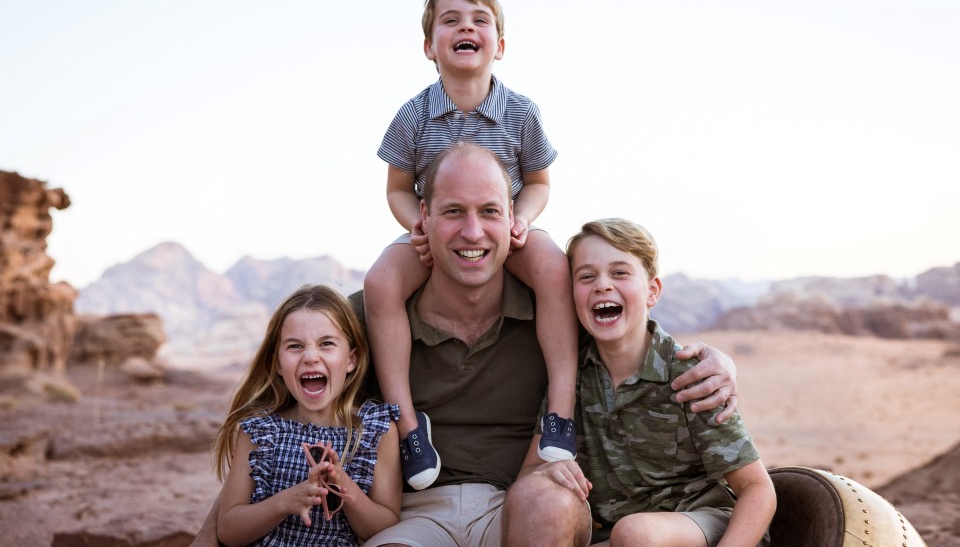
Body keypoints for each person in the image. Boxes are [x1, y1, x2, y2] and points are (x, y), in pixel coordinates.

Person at [191, 143, 740, 547]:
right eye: (454, 211)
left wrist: (720, 361)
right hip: (413, 516)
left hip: (521, 506)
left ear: (514, 223)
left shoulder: (555, 313)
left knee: (547, 499)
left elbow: (630, 333)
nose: (473, 232)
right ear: (423, 219)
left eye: (489, 212)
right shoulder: (371, 321)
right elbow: (279, 419)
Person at [363, 0, 580, 489]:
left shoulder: (521, 112)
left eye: (480, 20)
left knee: (553, 266)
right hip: (437, 232)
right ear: (429, 46)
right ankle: (409, 427)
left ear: (499, 46)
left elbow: (539, 181)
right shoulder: (414, 115)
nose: (467, 27)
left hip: (504, 229)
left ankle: (562, 412)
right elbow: (396, 188)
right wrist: (414, 222)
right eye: (451, 20)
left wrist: (521, 218)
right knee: (380, 283)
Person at [526, 218, 777, 546]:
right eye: (586, 276)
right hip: (620, 535)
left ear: (652, 291)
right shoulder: (570, 374)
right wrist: (548, 471)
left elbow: (758, 489)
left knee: (636, 532)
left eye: (620, 272)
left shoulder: (691, 376)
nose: (602, 285)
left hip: (704, 523)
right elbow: (531, 472)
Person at [211, 284, 402, 546]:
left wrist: (342, 485)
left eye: (326, 344)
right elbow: (229, 531)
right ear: (277, 363)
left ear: (351, 360)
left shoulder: (375, 430)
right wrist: (285, 502)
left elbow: (382, 526)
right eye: (295, 346)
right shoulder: (260, 431)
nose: (311, 356)